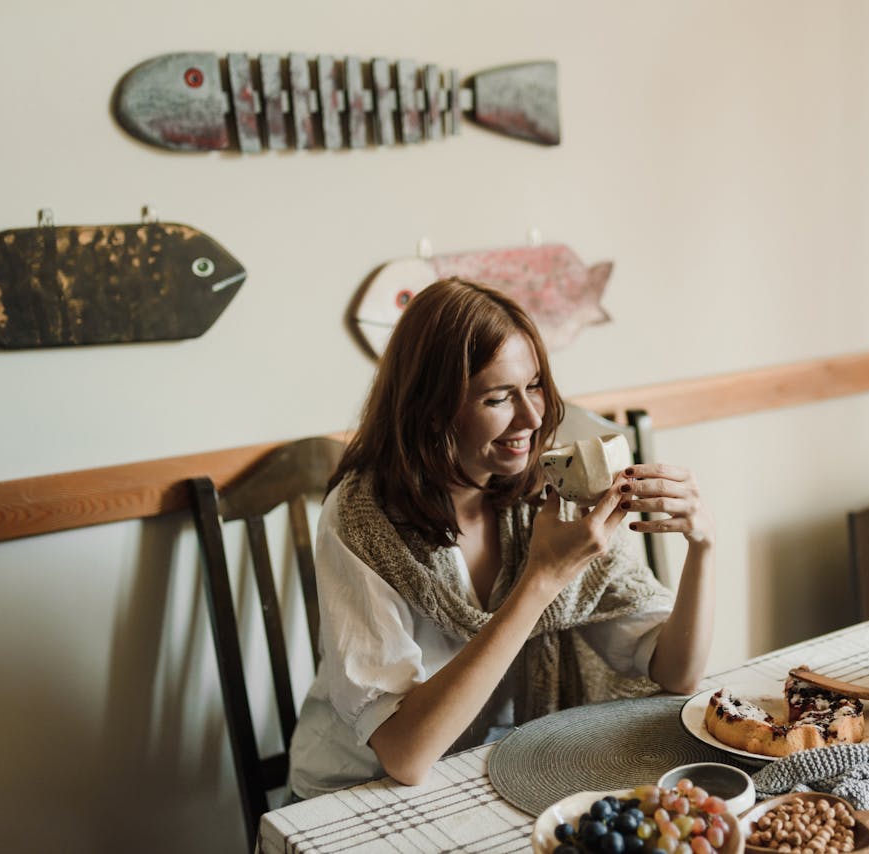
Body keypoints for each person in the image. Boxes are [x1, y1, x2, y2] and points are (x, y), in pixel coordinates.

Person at [286, 278, 716, 798]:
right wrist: (541, 579)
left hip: (493, 765)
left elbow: (675, 673)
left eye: (534, 385)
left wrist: (702, 545)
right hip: (358, 789)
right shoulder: (361, 520)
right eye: (497, 397)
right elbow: (405, 753)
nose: (533, 418)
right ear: (432, 409)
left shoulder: (553, 491)